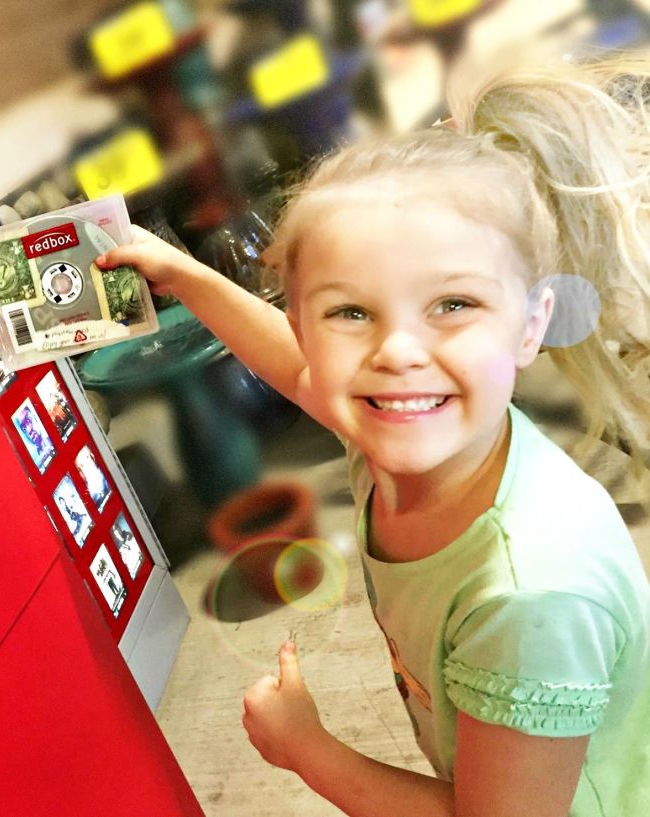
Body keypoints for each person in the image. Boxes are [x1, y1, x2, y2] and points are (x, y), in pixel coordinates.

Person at [95, 52, 650, 816]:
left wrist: (308, 750)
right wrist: (185, 276)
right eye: (351, 312)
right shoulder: (408, 433)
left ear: (532, 324)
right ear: (304, 324)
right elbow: (296, 368)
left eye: (452, 304)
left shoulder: (530, 594)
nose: (397, 352)